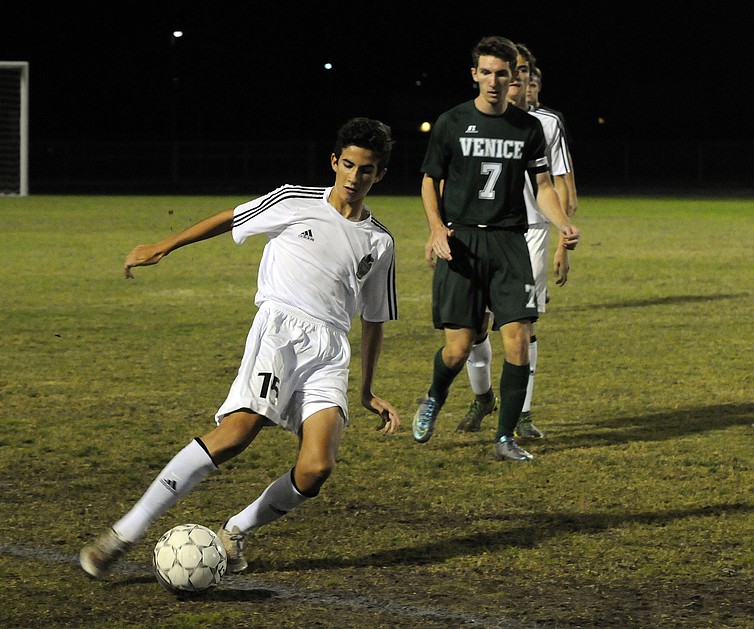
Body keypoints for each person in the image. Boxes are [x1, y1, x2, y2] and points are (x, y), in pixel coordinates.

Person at [79, 117, 401, 579]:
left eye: (365, 170)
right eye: (347, 165)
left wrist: (368, 389)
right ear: (334, 162)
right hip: (280, 331)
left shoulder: (381, 241)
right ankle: (124, 534)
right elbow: (230, 217)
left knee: (316, 467)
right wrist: (163, 246)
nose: (353, 177)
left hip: (330, 351)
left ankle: (235, 530)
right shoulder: (294, 201)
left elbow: (373, 319)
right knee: (236, 434)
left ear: (379, 175)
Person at [412, 36, 579, 461]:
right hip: (463, 241)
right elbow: (430, 180)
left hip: (509, 242)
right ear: (474, 75)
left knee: (519, 339)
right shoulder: (451, 122)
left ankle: (505, 437)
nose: (493, 80)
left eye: (502, 73)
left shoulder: (528, 129)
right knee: (458, 348)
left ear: (513, 77)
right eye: (485, 72)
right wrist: (435, 229)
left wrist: (562, 224)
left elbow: (542, 185)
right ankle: (434, 395)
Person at [456, 43, 573, 441]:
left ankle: (521, 411)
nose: (515, 78)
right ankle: (483, 396)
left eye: (521, 70)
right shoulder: (475, 119)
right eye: (511, 70)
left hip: (532, 232)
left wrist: (562, 237)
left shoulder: (544, 125)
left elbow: (559, 185)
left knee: (522, 326)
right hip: (479, 231)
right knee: (474, 325)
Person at [529, 67, 578, 216]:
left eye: (533, 85)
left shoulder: (553, 118)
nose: (528, 90)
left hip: (547, 182)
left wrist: (572, 191)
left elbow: (564, 156)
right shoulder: (514, 116)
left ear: (539, 87)